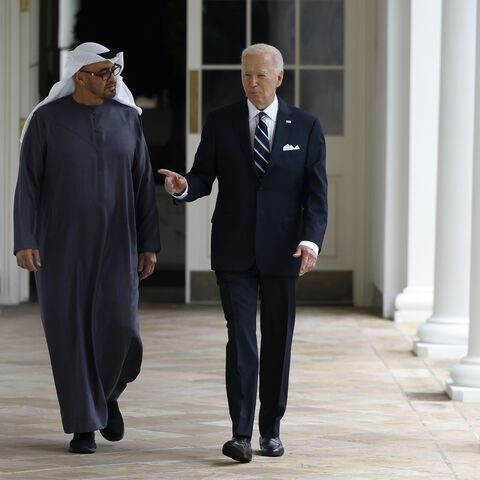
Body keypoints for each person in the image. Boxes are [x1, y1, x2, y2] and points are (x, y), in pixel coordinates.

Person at [159, 43, 327, 462]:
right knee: (241, 340)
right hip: (233, 249)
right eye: (246, 76)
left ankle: (270, 431)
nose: (252, 84)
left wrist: (310, 240)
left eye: (261, 76)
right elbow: (202, 176)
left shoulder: (305, 126)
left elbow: (316, 194)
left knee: (277, 342)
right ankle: (239, 434)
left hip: (284, 251)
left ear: (279, 78)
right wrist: (184, 188)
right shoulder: (220, 123)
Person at [14, 42, 161, 454]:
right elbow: (27, 184)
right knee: (70, 333)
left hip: (119, 242)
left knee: (121, 329)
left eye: (115, 72)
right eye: (103, 73)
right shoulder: (47, 120)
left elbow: (142, 184)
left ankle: (108, 394)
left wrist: (148, 243)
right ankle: (83, 425)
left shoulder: (128, 120)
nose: (112, 79)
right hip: (60, 246)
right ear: (79, 77)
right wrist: (24, 239)